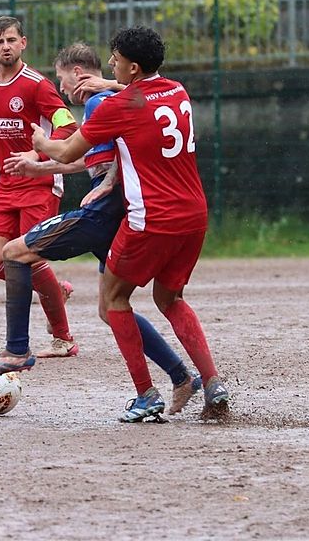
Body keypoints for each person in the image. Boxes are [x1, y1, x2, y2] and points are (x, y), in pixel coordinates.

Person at [0, 42, 204, 417]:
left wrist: (42, 148)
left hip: (105, 215)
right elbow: (98, 156)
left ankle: (17, 349)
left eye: (61, 79)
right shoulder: (120, 98)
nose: (61, 87)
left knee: (13, 253)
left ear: (77, 74)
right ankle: (181, 377)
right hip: (127, 215)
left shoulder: (99, 102)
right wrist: (41, 167)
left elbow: (82, 153)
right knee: (110, 308)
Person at [31, 26, 230, 422]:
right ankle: (212, 382)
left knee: (113, 302)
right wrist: (110, 84)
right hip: (194, 216)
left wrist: (41, 143)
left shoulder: (118, 107)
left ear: (133, 67)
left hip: (150, 219)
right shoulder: (178, 92)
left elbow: (67, 151)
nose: (110, 63)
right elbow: (143, 94)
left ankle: (146, 395)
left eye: (116, 59)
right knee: (170, 299)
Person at [0, 16, 80, 357]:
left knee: (27, 257)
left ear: (23, 43)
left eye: (11, 40)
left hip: (40, 181)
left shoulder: (37, 85)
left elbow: (68, 126)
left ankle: (63, 339)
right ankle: (53, 289)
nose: (6, 46)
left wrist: (37, 151)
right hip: (7, 184)